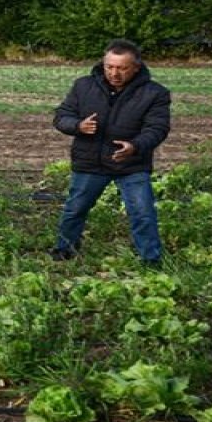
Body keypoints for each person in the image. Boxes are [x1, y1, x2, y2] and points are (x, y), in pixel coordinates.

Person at [50, 39, 171, 265]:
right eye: (109, 67)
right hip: (90, 162)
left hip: (131, 164)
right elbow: (61, 116)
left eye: (122, 68)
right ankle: (64, 251)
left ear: (136, 67)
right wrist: (77, 126)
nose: (114, 73)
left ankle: (151, 261)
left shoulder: (155, 93)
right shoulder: (83, 86)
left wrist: (134, 146)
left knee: (143, 213)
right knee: (75, 209)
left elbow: (157, 129)